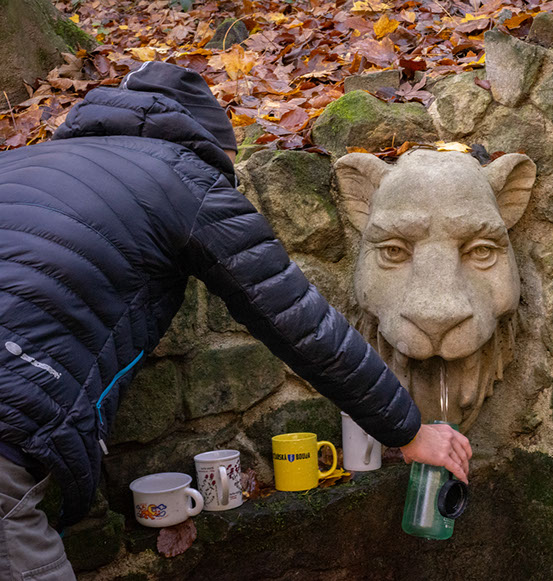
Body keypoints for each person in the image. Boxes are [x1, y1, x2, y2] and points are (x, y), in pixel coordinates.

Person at [0, 61, 472, 580]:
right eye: (230, 165)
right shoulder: (184, 179)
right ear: (206, 142)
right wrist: (407, 429)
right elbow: (300, 322)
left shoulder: (17, 162)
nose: (230, 179)